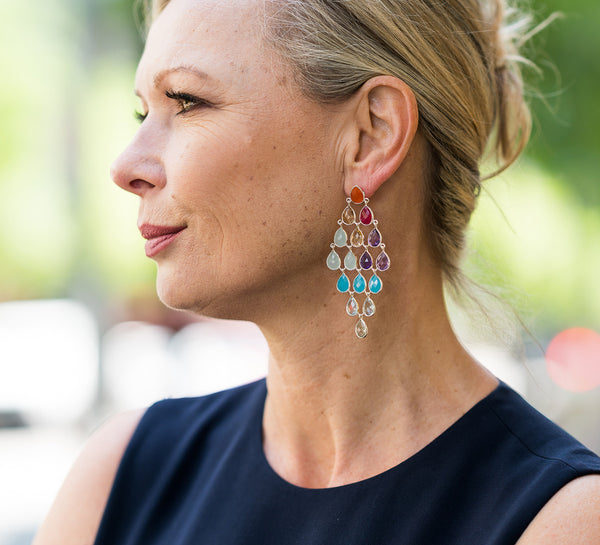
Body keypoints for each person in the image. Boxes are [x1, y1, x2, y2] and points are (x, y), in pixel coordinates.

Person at [34, 0, 600, 543]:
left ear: (372, 134)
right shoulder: (122, 478)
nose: (125, 166)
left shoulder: (562, 522)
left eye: (186, 102)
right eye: (142, 112)